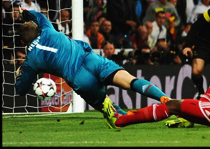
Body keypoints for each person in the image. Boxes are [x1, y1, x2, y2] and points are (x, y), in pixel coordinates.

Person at [14, 8, 170, 129]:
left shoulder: (30, 61)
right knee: (131, 81)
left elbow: (21, 90)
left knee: (109, 108)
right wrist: (25, 12)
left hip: (79, 78)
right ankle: (167, 101)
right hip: (91, 60)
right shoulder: (47, 29)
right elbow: (38, 16)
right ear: (38, 29)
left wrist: (19, 76)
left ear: (22, 42)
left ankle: (125, 118)